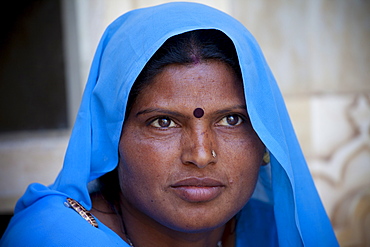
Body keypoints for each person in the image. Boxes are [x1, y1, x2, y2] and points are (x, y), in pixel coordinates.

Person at [1, 2, 338, 246]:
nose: (201, 155)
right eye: (163, 122)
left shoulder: (273, 231)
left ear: (265, 141)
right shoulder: (53, 238)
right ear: (109, 135)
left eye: (232, 120)